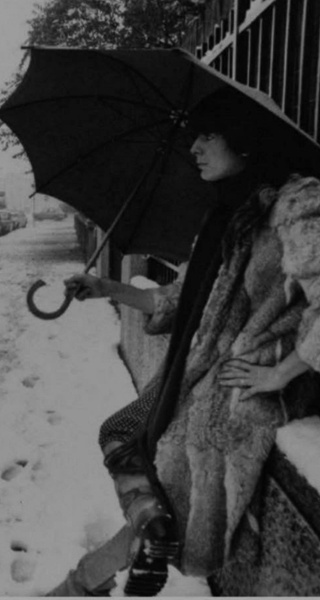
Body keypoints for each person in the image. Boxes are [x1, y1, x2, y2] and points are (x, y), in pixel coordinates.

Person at [47, 88, 320, 596]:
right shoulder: (225, 213)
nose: (194, 147)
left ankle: (90, 578)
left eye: (209, 134)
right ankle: (142, 540)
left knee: (174, 471)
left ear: (245, 140)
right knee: (120, 432)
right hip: (195, 372)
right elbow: (181, 301)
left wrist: (279, 373)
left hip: (243, 388)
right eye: (194, 136)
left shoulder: (298, 205)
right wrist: (108, 288)